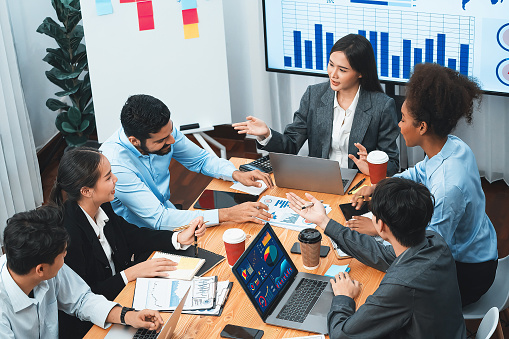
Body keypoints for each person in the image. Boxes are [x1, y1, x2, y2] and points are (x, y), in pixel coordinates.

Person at [348, 63, 498, 307]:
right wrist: (380, 186)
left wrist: (379, 230)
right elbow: (419, 173)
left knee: (379, 286)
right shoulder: (453, 146)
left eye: (403, 119)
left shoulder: (448, 189)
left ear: (422, 127)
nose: (399, 124)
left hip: (468, 273)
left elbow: (428, 252)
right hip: (480, 247)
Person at [49, 147, 206, 337]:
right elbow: (85, 296)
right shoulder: (68, 235)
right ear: (86, 191)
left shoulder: (102, 204)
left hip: (125, 297)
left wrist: (177, 238)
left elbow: (131, 235)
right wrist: (130, 273)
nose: (115, 179)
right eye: (108, 177)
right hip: (94, 323)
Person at [286, 178, 466, 338]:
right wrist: (324, 221)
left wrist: (343, 297)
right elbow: (379, 253)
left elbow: (342, 335)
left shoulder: (401, 286)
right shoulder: (434, 242)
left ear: (380, 225)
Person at [233, 34, 400, 176]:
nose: (332, 74)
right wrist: (267, 134)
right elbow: (291, 146)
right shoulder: (314, 95)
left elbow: (392, 164)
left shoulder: (382, 106)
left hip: (359, 186)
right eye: (331, 64)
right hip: (320, 181)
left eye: (342, 70)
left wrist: (372, 165)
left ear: (361, 72)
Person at [100, 94, 274, 230]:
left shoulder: (163, 133)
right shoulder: (116, 165)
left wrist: (235, 173)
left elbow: (200, 159)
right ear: (134, 141)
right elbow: (160, 219)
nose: (172, 140)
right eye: (162, 139)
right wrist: (228, 214)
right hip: (141, 234)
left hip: (170, 215)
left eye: (170, 131)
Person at [0, 206, 165, 338]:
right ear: (40, 269)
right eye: (63, 253)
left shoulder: (37, 263)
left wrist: (128, 316)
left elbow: (81, 300)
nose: (66, 255)